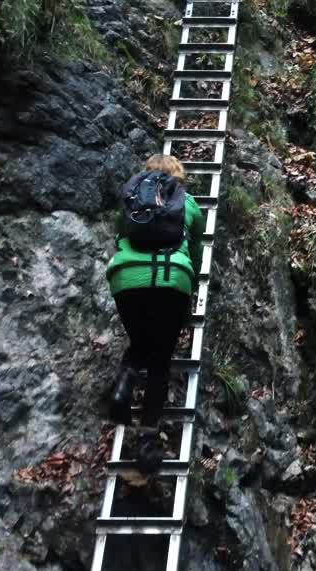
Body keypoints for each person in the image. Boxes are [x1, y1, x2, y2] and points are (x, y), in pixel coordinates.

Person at [106, 154, 204, 471]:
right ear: (178, 176)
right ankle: (147, 442)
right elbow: (197, 251)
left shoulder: (131, 201)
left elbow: (119, 235)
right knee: (160, 359)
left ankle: (123, 385)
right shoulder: (186, 203)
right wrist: (191, 282)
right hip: (171, 280)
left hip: (127, 282)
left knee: (140, 342)